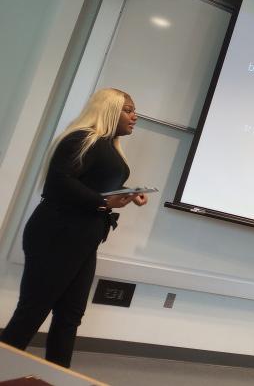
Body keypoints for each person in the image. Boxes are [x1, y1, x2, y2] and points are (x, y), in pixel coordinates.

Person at [0, 88, 148, 367]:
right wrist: (105, 204)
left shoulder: (108, 145)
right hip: (58, 233)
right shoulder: (82, 138)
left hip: (82, 238)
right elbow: (58, 183)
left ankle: (58, 376)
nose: (135, 116)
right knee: (33, 311)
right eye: (128, 110)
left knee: (69, 315)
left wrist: (127, 193)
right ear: (109, 110)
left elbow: (92, 184)